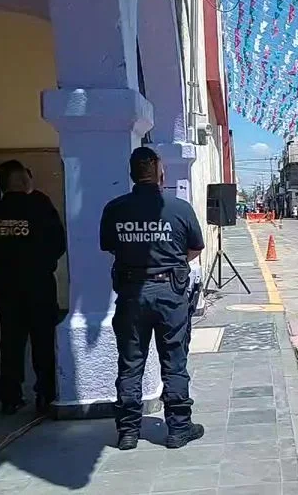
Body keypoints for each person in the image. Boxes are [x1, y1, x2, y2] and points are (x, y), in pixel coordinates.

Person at [100, 147, 206, 450]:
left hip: (132, 294)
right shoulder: (179, 208)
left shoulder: (115, 208)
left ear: (132, 173)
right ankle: (178, 428)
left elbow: (109, 246)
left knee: (131, 364)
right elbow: (195, 248)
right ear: (160, 172)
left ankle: (128, 432)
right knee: (173, 362)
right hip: (169, 295)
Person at [0, 160, 66, 415]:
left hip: (6, 285)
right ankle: (45, 392)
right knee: (42, 340)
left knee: (10, 342)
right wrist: (44, 262)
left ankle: (10, 396)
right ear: (22, 180)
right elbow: (58, 241)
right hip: (38, 284)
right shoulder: (40, 205)